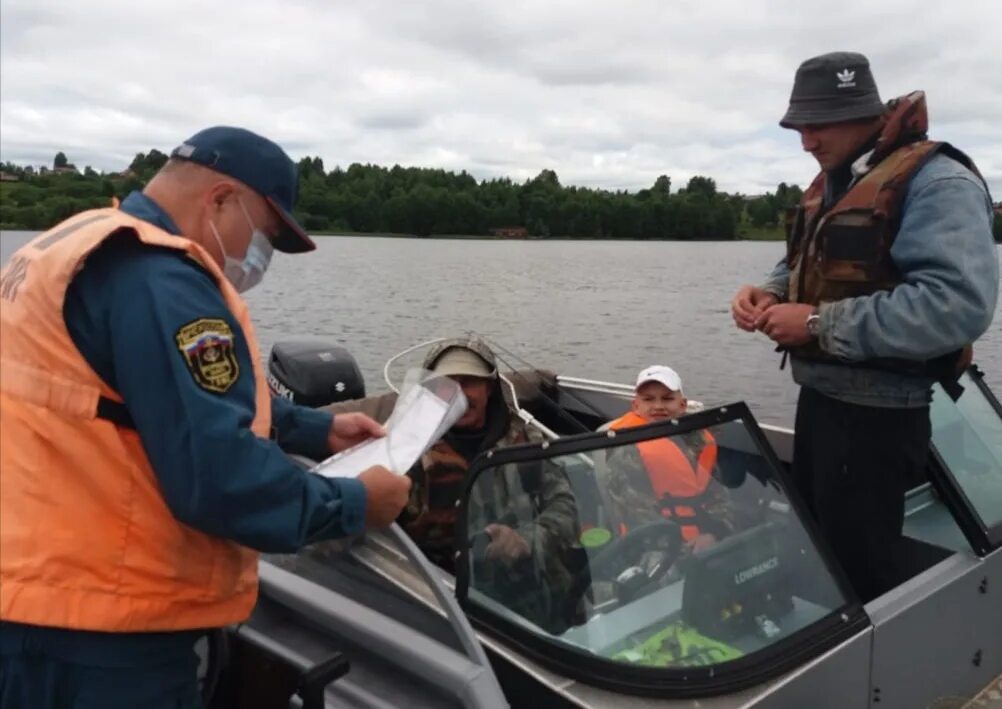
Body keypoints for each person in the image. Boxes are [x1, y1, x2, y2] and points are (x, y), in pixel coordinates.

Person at [0, 127, 411, 708]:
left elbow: (138, 395)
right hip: (103, 627)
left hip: (32, 590)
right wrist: (357, 504)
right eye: (266, 235)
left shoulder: (72, 244)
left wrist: (316, 429)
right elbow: (221, 480)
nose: (262, 258)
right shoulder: (160, 279)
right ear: (220, 199)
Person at [731, 52, 998, 600]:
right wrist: (771, 290)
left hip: (878, 422)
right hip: (821, 406)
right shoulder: (839, 179)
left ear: (863, 114)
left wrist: (815, 322)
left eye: (817, 125)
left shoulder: (939, 182)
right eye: (799, 128)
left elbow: (957, 306)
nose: (806, 141)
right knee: (822, 563)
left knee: (860, 581)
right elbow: (809, 259)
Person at [326, 336, 579, 575]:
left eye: (469, 382)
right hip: (441, 589)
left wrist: (528, 540)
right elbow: (365, 525)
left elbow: (566, 505)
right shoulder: (406, 450)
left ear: (489, 388)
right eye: (448, 384)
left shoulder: (526, 439)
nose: (459, 394)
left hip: (525, 582)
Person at [602, 366, 740, 552]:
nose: (658, 406)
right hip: (656, 547)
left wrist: (715, 533)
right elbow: (635, 514)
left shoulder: (699, 439)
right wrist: (681, 549)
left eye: (667, 399)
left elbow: (719, 495)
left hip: (708, 538)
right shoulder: (626, 448)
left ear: (682, 405)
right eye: (648, 399)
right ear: (636, 406)